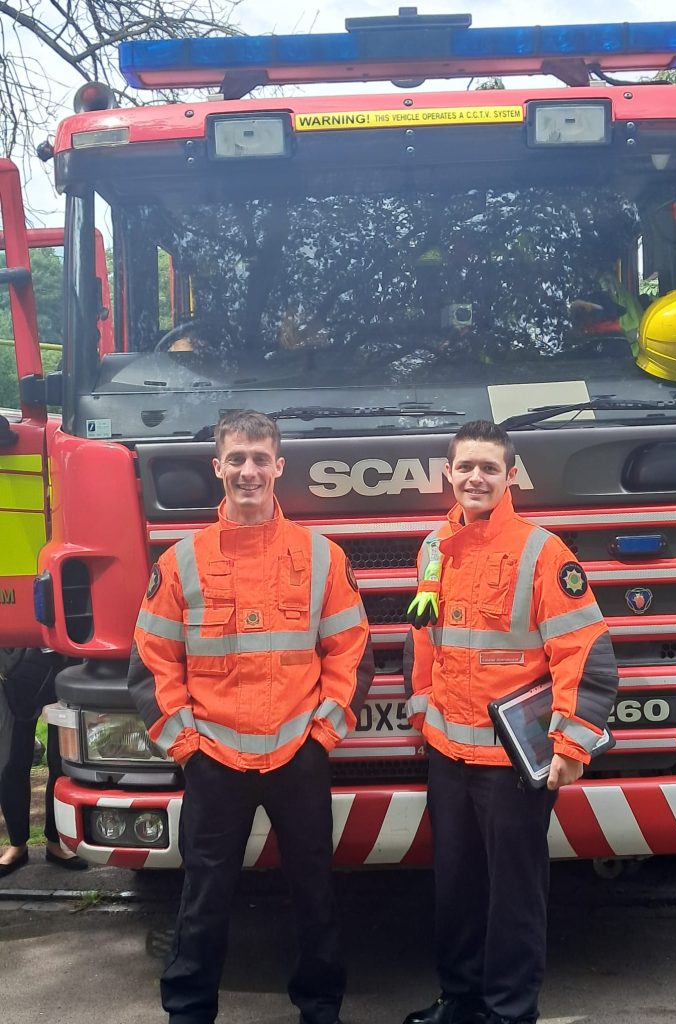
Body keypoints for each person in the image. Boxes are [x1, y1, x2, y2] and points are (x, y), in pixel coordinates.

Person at [127, 409, 374, 1024]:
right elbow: (152, 662)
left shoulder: (320, 556)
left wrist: (322, 735)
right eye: (236, 458)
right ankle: (188, 1011)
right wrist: (186, 747)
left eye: (260, 458)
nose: (248, 470)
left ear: (279, 467)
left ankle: (320, 1008)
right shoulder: (181, 561)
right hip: (213, 758)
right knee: (203, 898)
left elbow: (352, 652)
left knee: (315, 892)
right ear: (218, 467)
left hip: (299, 754)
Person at [402, 420, 619, 1024]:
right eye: (466, 467)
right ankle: (461, 1000)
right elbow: (423, 639)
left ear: (509, 476)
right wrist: (423, 713)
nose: (476, 478)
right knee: (456, 889)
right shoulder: (431, 547)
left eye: (489, 468)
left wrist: (572, 743)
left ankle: (509, 1011)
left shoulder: (543, 553)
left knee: (515, 897)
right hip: (448, 755)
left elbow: (585, 649)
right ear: (449, 473)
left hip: (512, 764)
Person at [0, 647, 88, 876]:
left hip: (65, 659)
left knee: (62, 763)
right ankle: (17, 845)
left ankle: (55, 842)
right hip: (13, 666)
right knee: (12, 761)